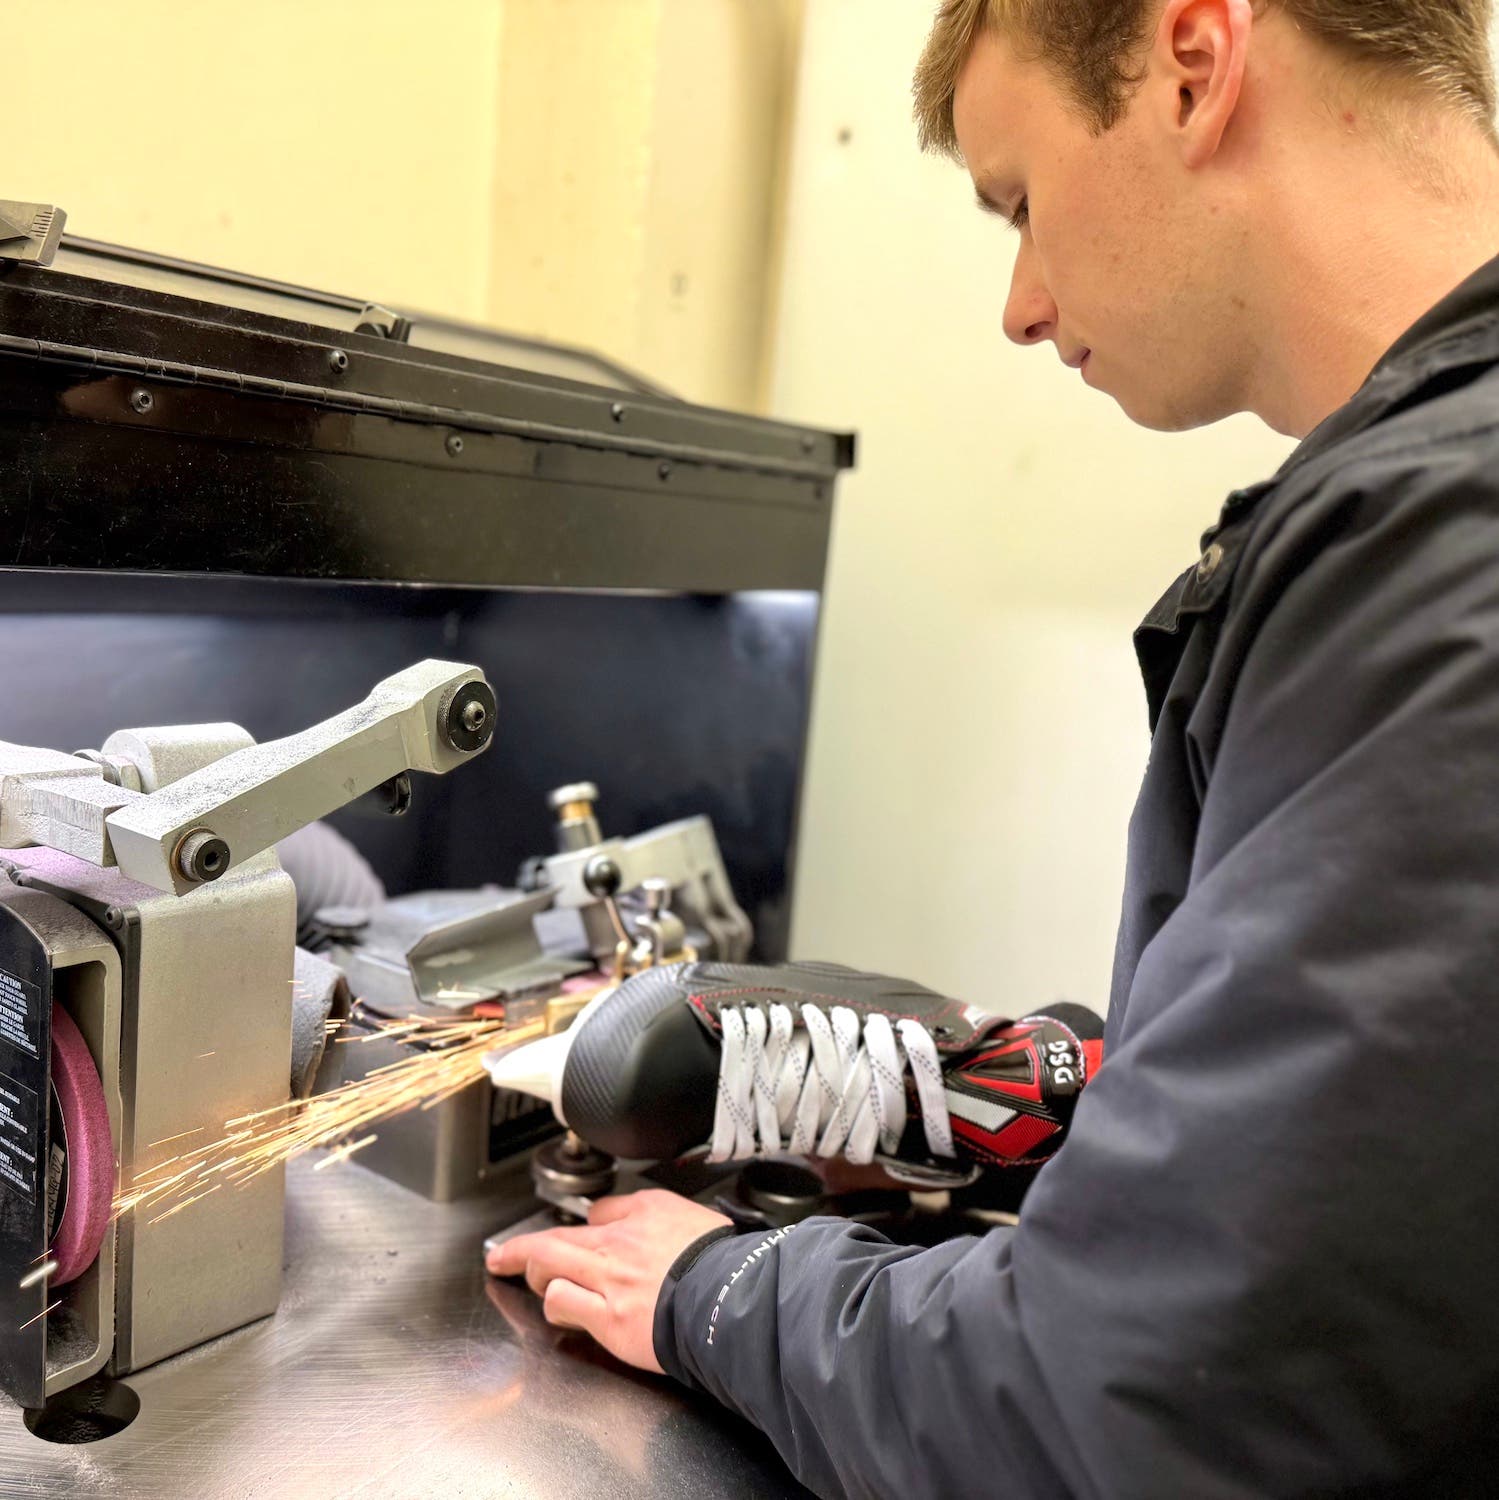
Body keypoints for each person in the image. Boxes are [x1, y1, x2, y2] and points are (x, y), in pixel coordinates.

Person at [488, 2, 1499, 1494]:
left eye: (1021, 200)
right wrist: (999, 1091)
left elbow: (1137, 1405)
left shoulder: (1443, 553)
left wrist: (722, 1294)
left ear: (1193, 62)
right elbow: (1393, 1160)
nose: (1020, 304)